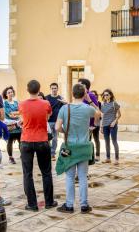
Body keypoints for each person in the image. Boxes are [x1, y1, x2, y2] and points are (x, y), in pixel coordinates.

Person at [56, 83, 101, 214]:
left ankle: (69, 205)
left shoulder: (65, 108)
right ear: (84, 95)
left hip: (70, 147)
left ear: (72, 94)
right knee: (82, 177)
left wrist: (65, 131)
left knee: (70, 177)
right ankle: (84, 205)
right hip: (84, 147)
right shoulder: (88, 108)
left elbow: (57, 127)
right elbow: (99, 114)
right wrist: (90, 101)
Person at [19, 80, 57, 211]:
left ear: (27, 90)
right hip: (42, 140)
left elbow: (22, 117)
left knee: (27, 173)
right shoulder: (46, 103)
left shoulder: (22, 104)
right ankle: (49, 202)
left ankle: (32, 204)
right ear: (39, 89)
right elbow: (49, 115)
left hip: (26, 141)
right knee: (46, 172)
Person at [45, 83, 66, 161]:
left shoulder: (60, 98)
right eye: (52, 88)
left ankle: (52, 154)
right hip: (48, 121)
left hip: (57, 121)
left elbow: (64, 108)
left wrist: (64, 102)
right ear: (50, 89)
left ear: (57, 89)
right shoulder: (46, 98)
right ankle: (48, 152)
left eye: (55, 88)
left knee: (55, 138)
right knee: (47, 138)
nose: (54, 89)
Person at [101, 89, 121, 165]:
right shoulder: (103, 104)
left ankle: (116, 159)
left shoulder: (114, 104)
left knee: (114, 141)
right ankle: (108, 158)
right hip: (105, 125)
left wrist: (114, 121)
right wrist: (101, 126)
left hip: (113, 125)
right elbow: (103, 116)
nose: (105, 96)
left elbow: (119, 115)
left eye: (107, 95)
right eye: (104, 95)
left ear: (110, 95)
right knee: (107, 142)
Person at [2, 86, 21, 164]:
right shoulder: (5, 103)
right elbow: (9, 114)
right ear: (6, 94)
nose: (10, 93)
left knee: (21, 140)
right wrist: (16, 115)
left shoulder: (16, 102)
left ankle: (22, 155)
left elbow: (20, 111)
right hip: (9, 125)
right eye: (8, 92)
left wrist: (16, 115)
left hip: (18, 124)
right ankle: (10, 157)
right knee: (10, 141)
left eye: (11, 92)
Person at [90, 90, 101, 162]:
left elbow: (100, 113)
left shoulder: (98, 103)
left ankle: (97, 155)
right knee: (88, 140)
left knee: (96, 139)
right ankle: (90, 155)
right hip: (89, 123)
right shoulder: (87, 103)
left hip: (96, 123)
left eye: (94, 95)